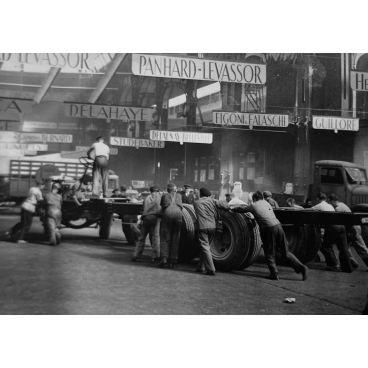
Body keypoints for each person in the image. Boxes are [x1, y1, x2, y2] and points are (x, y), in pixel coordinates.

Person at [232, 191, 308, 281]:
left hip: (268, 228)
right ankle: (302, 268)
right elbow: (264, 214)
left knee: (269, 252)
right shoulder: (267, 203)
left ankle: (274, 273)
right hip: (278, 226)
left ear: (254, 199)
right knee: (286, 252)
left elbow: (242, 209)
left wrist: (233, 208)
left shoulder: (254, 205)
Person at [305, 192, 353, 273]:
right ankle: (348, 268)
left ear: (318, 199)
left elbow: (308, 210)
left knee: (326, 246)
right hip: (341, 226)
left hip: (333, 226)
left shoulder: (320, 204)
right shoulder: (330, 205)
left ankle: (333, 265)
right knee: (343, 247)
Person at [194, 187, 230, 276]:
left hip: (202, 227)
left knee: (205, 247)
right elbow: (226, 206)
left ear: (200, 194)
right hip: (212, 227)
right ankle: (200, 267)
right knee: (206, 247)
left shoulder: (197, 202)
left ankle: (211, 269)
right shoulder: (213, 201)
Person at [328, 193, 368, 270]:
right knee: (345, 247)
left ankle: (354, 263)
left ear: (332, 201)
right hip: (352, 228)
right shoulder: (342, 204)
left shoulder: (338, 209)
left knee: (361, 248)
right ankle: (352, 263)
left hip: (353, 229)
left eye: (329, 202)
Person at [132, 185, 162, 263]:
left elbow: (143, 209)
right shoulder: (159, 196)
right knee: (155, 237)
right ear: (157, 191)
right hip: (155, 217)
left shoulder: (146, 198)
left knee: (141, 237)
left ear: (150, 191)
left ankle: (136, 255)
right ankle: (155, 256)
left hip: (145, 218)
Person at [157, 183, 183, 268]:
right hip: (178, 213)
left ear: (168, 189)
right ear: (175, 189)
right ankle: (173, 260)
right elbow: (181, 207)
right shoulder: (179, 195)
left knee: (165, 237)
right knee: (176, 237)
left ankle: (164, 259)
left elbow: (163, 207)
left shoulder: (165, 195)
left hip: (168, 213)